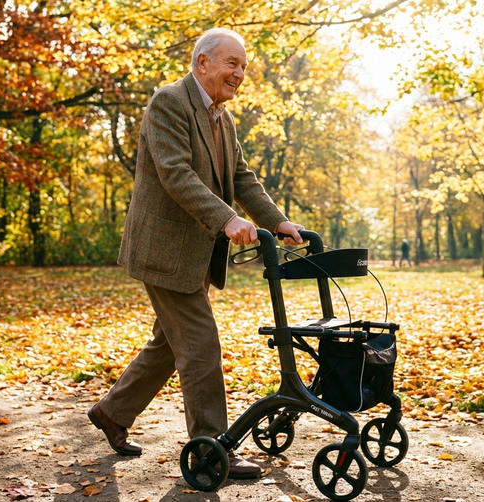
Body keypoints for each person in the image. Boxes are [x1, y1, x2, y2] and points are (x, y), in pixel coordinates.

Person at [87, 28, 303, 479]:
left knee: (169, 345)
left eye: (243, 66)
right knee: (200, 347)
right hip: (164, 250)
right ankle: (211, 447)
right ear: (203, 62)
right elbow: (176, 173)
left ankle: (112, 412)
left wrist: (277, 222)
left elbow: (241, 178)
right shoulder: (169, 102)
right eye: (231, 63)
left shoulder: (222, 117)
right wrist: (227, 219)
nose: (239, 73)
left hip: (195, 253)